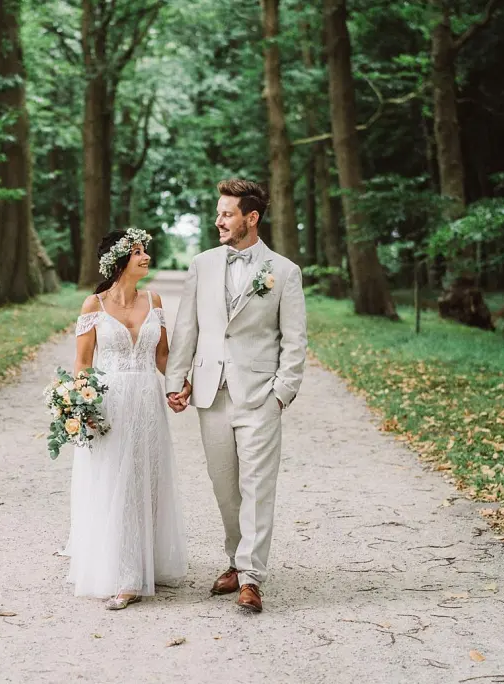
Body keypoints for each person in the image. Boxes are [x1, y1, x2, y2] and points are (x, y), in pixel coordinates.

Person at [165, 179, 307, 613]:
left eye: (227, 214)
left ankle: (251, 577)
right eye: (218, 213)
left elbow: (295, 340)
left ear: (252, 217)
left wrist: (281, 393)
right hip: (212, 393)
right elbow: (188, 327)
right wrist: (177, 379)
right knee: (225, 487)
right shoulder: (202, 264)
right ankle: (234, 558)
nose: (218, 220)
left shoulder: (283, 271)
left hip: (260, 395)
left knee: (258, 486)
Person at [64, 228, 188, 610]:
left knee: (145, 480)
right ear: (118, 261)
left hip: (147, 404)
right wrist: (80, 408)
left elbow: (163, 356)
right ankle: (123, 574)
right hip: (110, 404)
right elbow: (83, 363)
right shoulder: (94, 306)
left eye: (145, 250)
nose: (145, 256)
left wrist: (178, 387)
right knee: (115, 482)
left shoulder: (155, 300)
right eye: (136, 251)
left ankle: (143, 563)